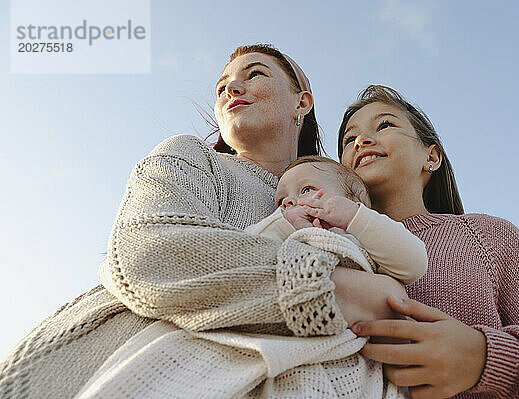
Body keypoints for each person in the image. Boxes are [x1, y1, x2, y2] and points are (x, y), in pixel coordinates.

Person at [0, 45, 410, 398]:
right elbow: (151, 252)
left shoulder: (335, 193)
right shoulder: (189, 155)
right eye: (222, 86)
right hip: (123, 363)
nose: (232, 88)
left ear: (302, 103)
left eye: (255, 74)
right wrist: (341, 290)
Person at [332, 84, 519, 398]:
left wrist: (485, 360)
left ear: (431, 156)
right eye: (349, 139)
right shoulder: (325, 245)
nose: (361, 141)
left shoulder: (487, 236)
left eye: (385, 124)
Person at [246, 155, 428, 285]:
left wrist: (356, 218)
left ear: (351, 203)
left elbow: (414, 265)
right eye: (281, 201)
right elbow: (245, 250)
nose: (288, 201)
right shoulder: (280, 239)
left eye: (307, 190)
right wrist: (282, 223)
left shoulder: (364, 244)